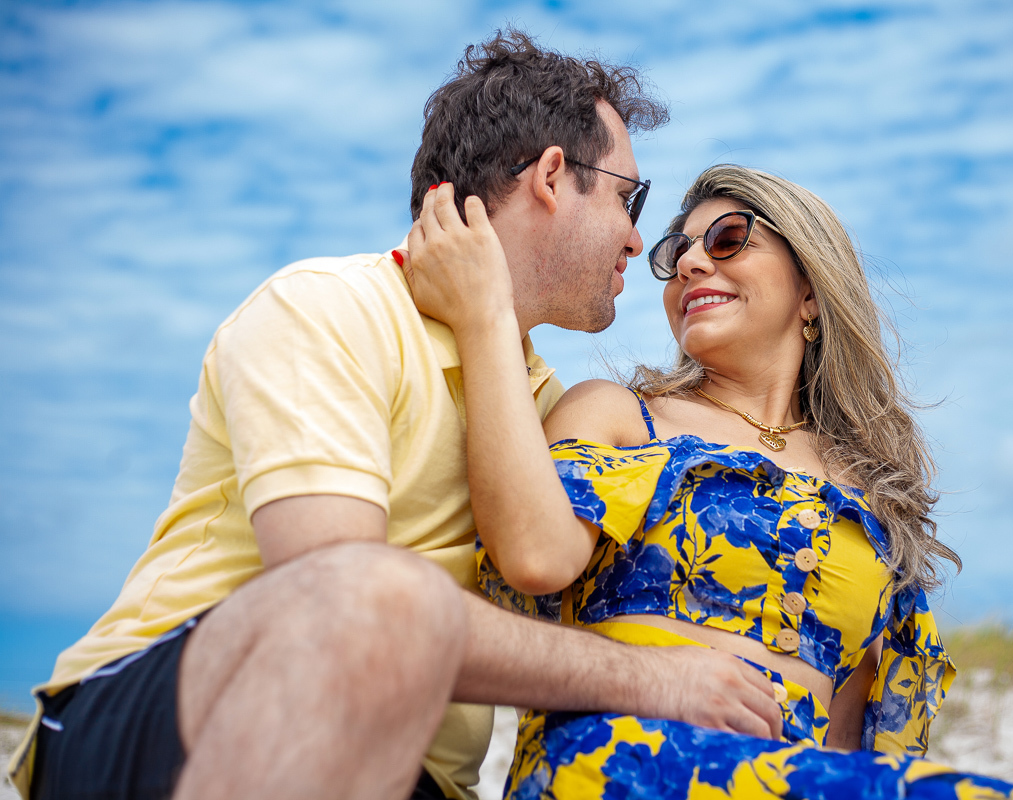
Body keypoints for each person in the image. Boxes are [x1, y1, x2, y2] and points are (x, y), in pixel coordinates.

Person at [6, 32, 789, 800]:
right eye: (630, 198)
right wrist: (651, 678)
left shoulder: (547, 405)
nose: (635, 238)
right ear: (554, 175)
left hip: (409, 772)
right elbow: (344, 600)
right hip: (163, 717)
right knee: (378, 597)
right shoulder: (327, 309)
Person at [402, 164, 1013, 798]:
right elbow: (534, 555)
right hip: (626, 764)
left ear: (809, 288)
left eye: (727, 240)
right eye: (674, 254)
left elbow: (848, 743)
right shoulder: (623, 417)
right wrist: (485, 317)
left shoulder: (873, 498)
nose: (689, 264)